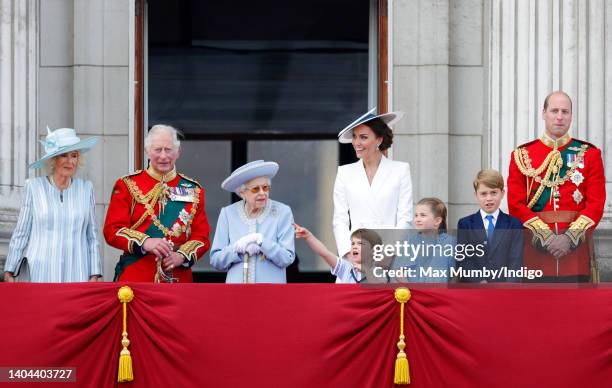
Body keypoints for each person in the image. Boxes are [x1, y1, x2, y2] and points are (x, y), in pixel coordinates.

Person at [507, 91, 606, 282]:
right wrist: (547, 238)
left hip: (575, 256)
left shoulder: (589, 154)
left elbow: (595, 204)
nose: (560, 117)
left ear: (571, 116)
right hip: (536, 258)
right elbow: (516, 205)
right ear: (544, 113)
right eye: (554, 111)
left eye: (565, 112)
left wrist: (568, 238)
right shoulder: (522, 155)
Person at [103, 124, 210, 283]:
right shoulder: (127, 185)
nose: (163, 156)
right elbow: (112, 230)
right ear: (147, 152)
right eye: (157, 150)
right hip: (137, 276)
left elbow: (202, 237)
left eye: (168, 149)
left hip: (178, 277)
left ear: (178, 152)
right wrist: (146, 242)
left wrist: (181, 256)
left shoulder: (194, 190)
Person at [3, 127, 102, 282]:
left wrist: (95, 272)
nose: (70, 161)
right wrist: (10, 269)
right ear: (53, 160)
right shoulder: (34, 187)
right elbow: (21, 232)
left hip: (77, 272)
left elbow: (92, 236)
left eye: (74, 156)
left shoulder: (85, 189)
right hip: (40, 273)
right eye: (64, 155)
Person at [333, 108, 413, 270]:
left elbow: (405, 217)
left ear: (379, 140)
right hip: (355, 257)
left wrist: (389, 252)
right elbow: (339, 219)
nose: (356, 143)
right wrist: (349, 253)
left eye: (363, 137)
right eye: (355, 137)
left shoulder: (400, 170)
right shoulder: (344, 172)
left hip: (389, 256)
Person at [210, 160, 295, 283]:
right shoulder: (228, 214)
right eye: (256, 189)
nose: (262, 193)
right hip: (236, 293)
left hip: (271, 294)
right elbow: (216, 261)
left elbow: (287, 258)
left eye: (265, 188)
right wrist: (236, 249)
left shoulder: (282, 212)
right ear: (242, 193)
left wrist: (262, 242)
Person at [456, 170, 524, 282]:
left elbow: (516, 261)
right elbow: (463, 259)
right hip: (475, 291)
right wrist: (479, 281)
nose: (489, 198)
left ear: (502, 194)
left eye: (493, 193)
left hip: (505, 291)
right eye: (483, 194)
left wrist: (509, 288)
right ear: (476, 195)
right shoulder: (465, 224)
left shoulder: (514, 224)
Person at [391, 198, 454, 283]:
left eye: (423, 215)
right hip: (414, 293)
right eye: (416, 215)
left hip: (439, 294)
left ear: (437, 221)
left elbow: (456, 273)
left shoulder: (449, 242)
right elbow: (399, 271)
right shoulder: (410, 241)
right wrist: (412, 289)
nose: (417, 219)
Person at [294, 224, 383, 283]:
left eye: (360, 243)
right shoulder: (346, 268)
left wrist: (366, 271)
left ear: (374, 250)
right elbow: (325, 253)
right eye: (353, 243)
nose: (354, 246)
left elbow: (382, 289)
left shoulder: (381, 272)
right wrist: (308, 236)